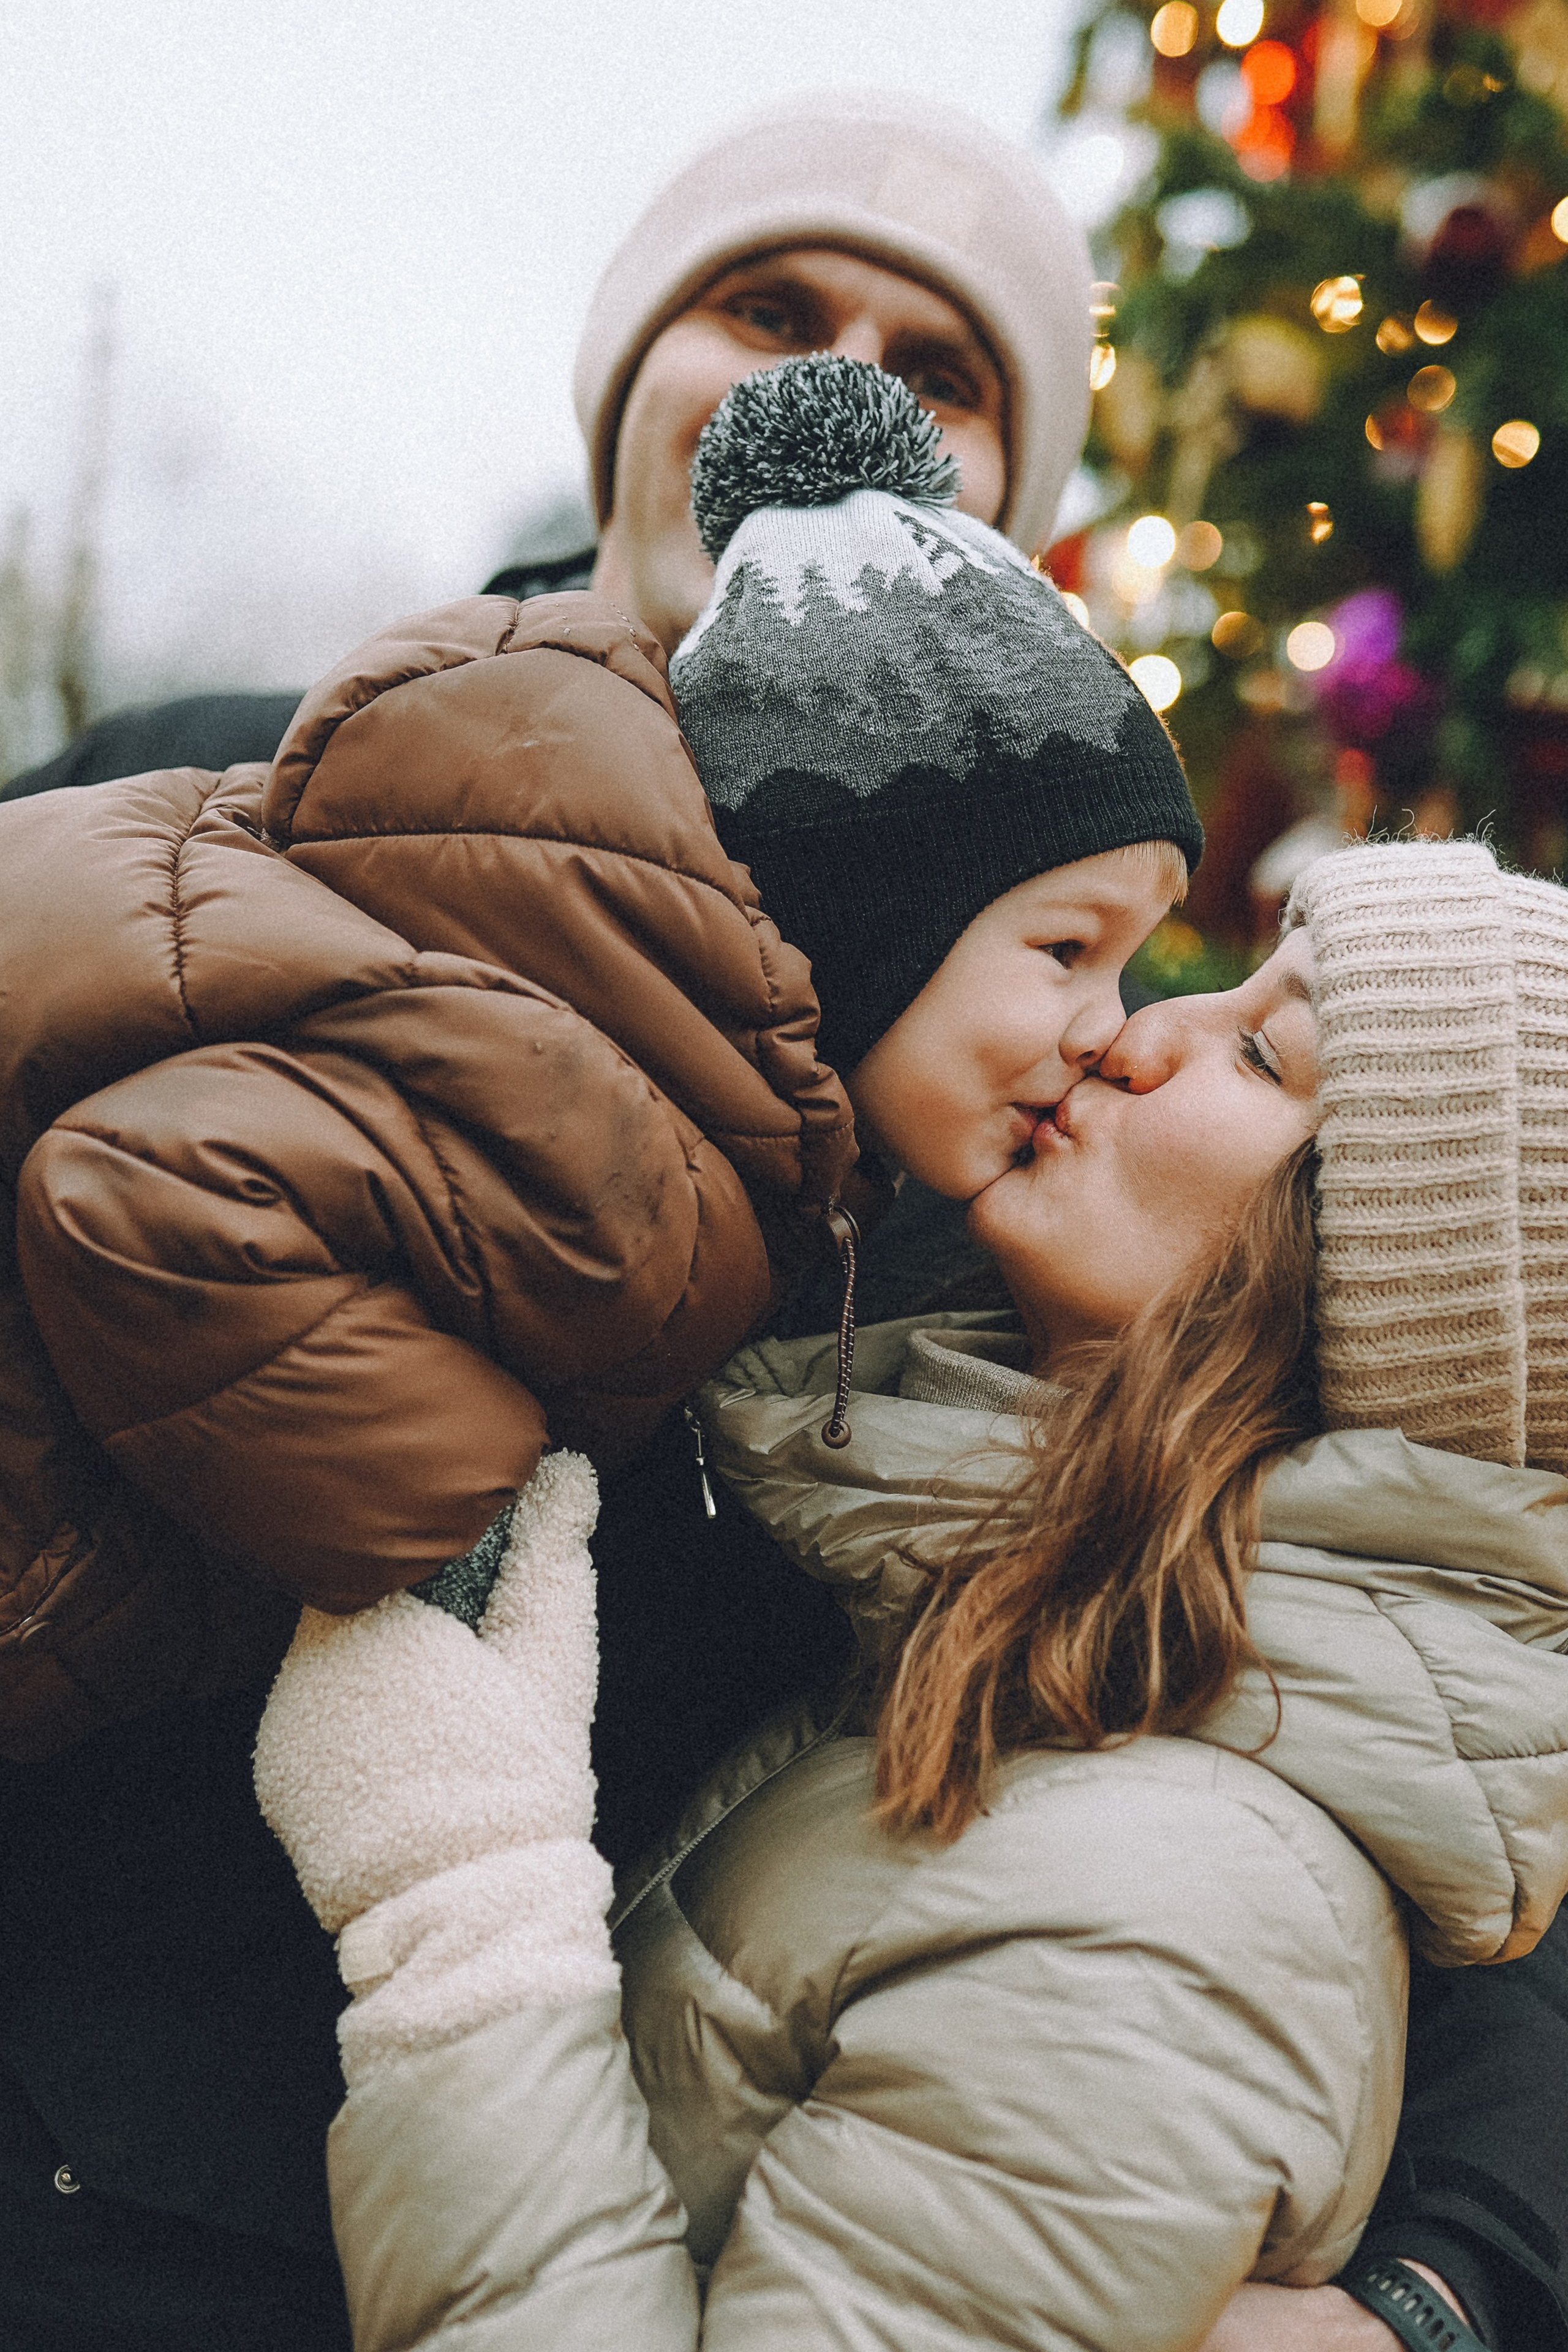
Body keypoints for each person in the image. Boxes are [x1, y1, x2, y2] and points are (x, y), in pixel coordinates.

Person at [0, 363, 1198, 2348]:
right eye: (1067, 951)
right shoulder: (621, 1107)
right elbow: (159, 1206)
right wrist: (470, 1505)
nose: (1111, 1025)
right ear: (875, 924)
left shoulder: (706, 1086)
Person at [253, 834, 1568, 2351]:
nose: (1137, 1033)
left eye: (1261, 1052)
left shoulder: (1160, 1918)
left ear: (1344, 1304)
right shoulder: (990, 1597)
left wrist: (458, 1902)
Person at [0, 88, 1090, 806]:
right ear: (627, 385)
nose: (834, 395)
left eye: (939, 380)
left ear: (1004, 521)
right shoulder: (167, 789)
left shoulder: (1046, 1080)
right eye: (771, 314)